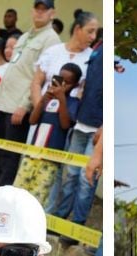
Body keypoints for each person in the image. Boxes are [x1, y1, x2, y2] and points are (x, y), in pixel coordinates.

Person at [0, 0, 59, 189]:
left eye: (44, 10)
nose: (39, 13)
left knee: (9, 157)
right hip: (3, 103)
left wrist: (25, 105)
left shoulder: (51, 40)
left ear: (52, 13)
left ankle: (1, 199)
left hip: (18, 106)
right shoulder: (24, 36)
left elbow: (39, 78)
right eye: (37, 9)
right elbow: (11, 70)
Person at [50, 37, 102, 225]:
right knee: (70, 174)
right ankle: (61, 218)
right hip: (81, 122)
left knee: (86, 178)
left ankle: (77, 224)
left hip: (98, 128)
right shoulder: (98, 48)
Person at [15, 62, 80, 208]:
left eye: (67, 83)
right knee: (19, 191)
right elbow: (32, 120)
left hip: (50, 160)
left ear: (75, 85)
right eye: (60, 80)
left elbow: (65, 124)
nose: (62, 85)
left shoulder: (72, 102)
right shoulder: (47, 100)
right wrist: (44, 98)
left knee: (37, 198)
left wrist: (62, 99)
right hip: (32, 155)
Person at [30, 10, 97, 107]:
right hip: (43, 109)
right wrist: (39, 109)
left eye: (95, 33)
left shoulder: (94, 58)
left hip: (71, 113)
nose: (93, 37)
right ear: (77, 29)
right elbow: (36, 83)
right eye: (90, 32)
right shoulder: (53, 51)